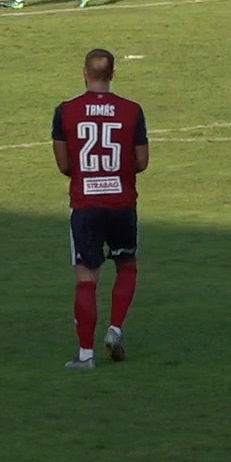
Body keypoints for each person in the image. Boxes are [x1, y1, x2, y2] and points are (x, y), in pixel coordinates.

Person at [50, 48, 148, 370]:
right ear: (113, 74)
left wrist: (88, 177)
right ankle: (115, 328)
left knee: (86, 278)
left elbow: (64, 165)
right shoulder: (132, 110)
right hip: (122, 203)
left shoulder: (65, 111)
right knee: (127, 265)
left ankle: (85, 356)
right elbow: (142, 161)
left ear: (84, 72)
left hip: (85, 204)